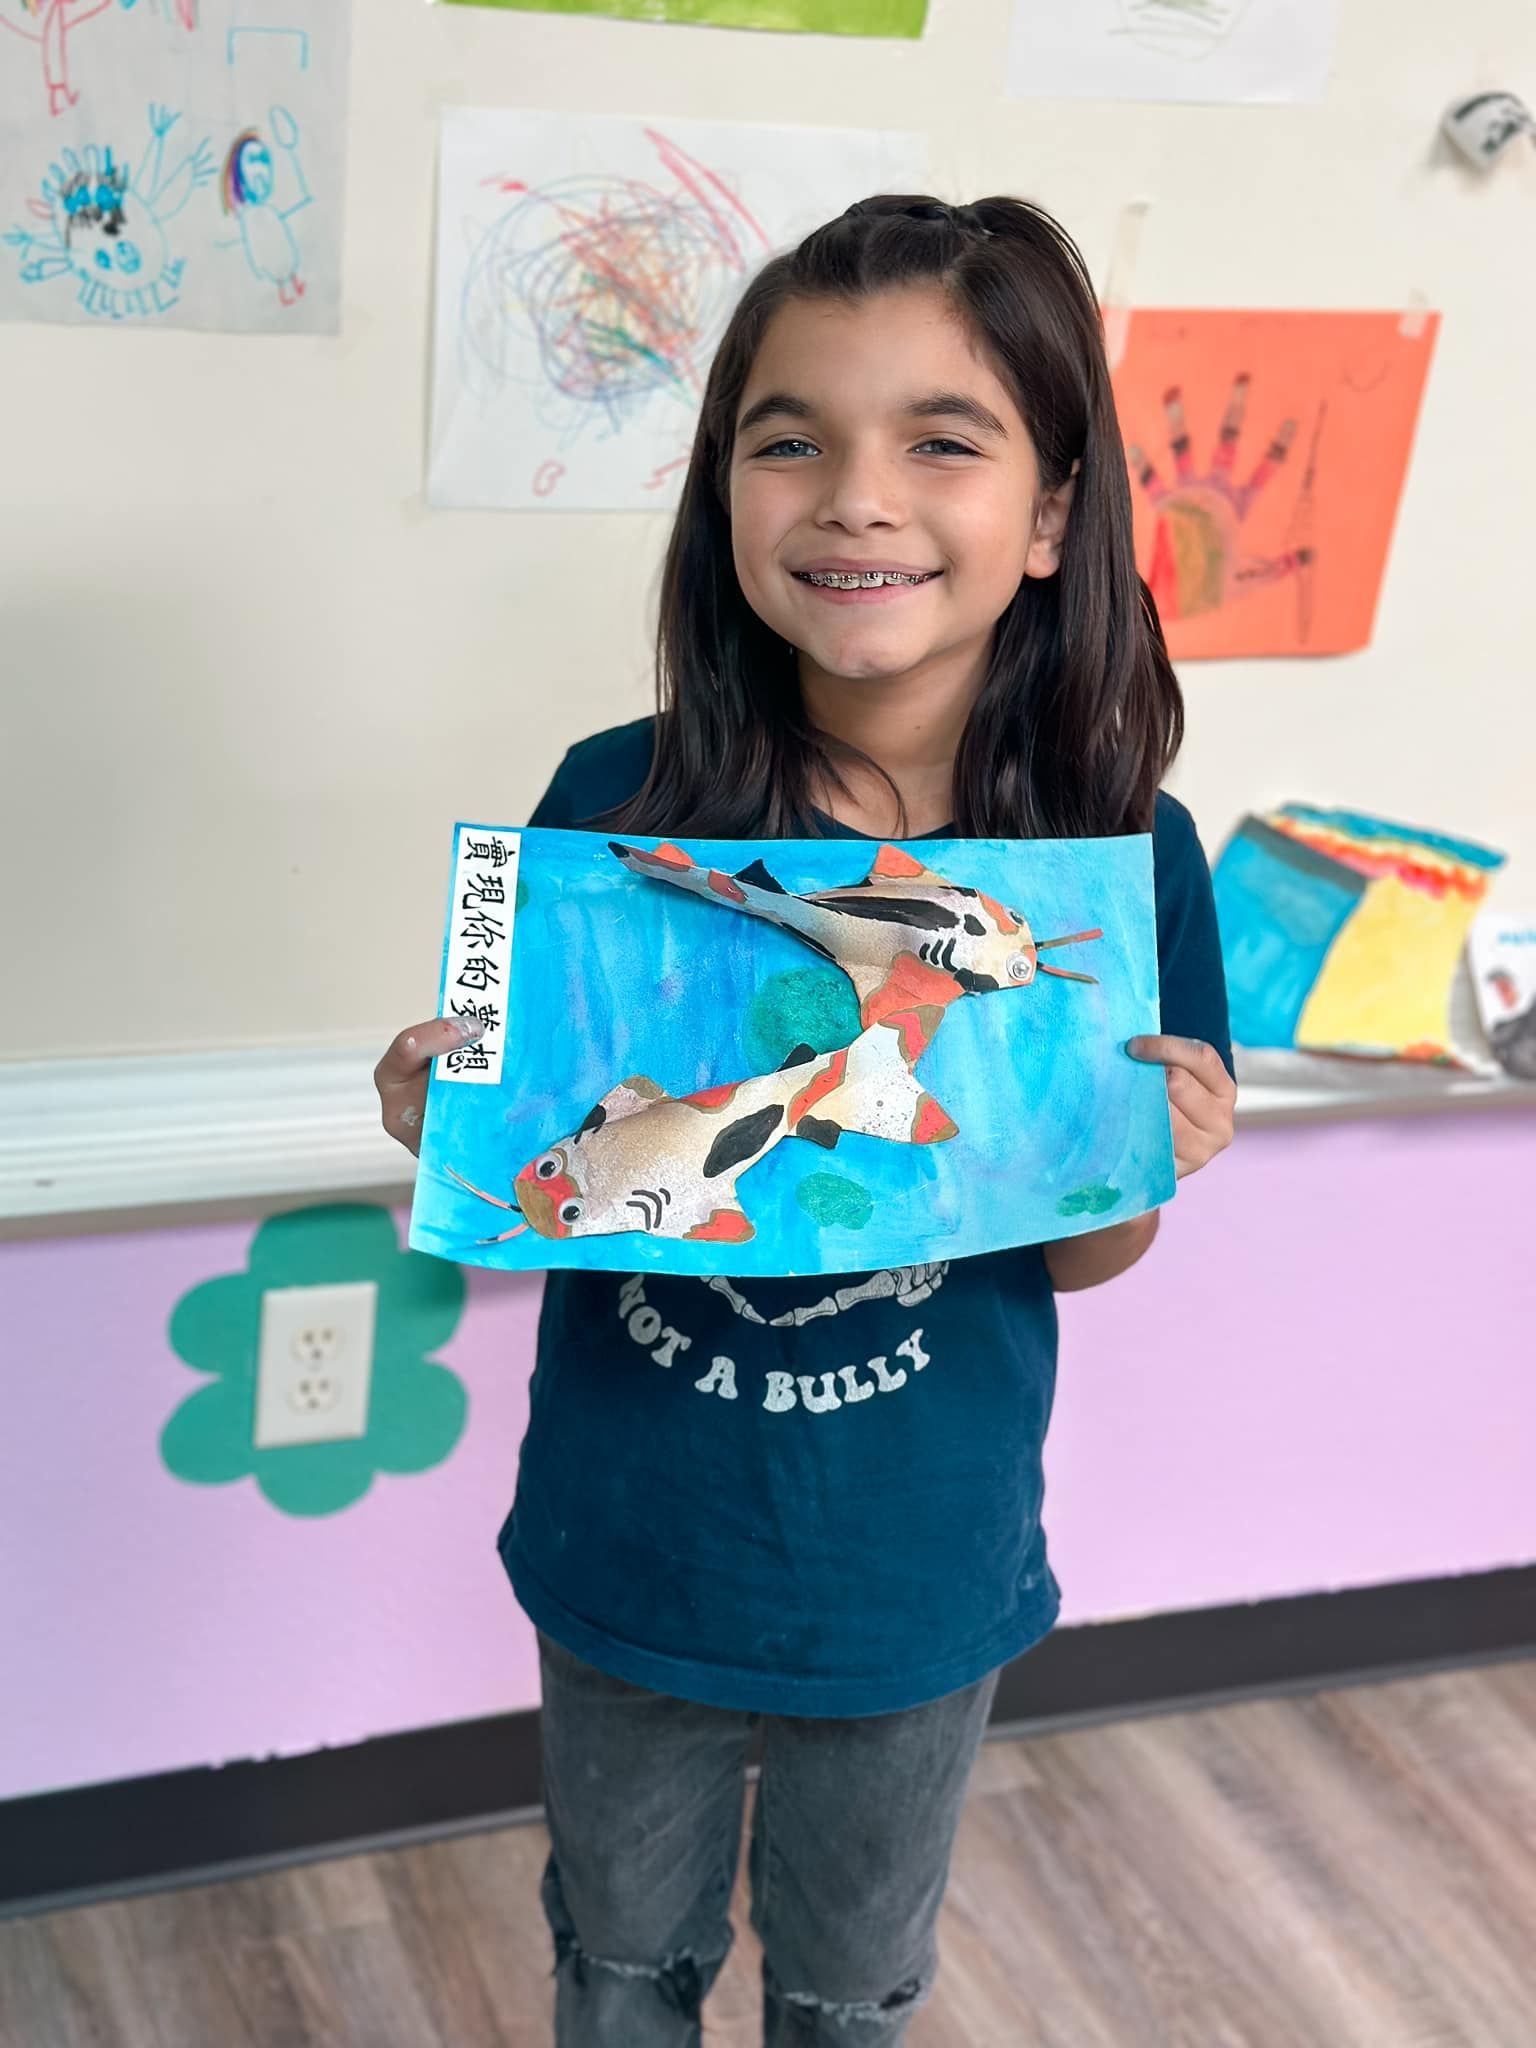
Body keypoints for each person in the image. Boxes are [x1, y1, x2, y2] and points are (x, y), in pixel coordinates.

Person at [374, 193, 1236, 2047]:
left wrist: (1148, 1151)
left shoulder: (1122, 850)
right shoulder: (617, 801)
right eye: (793, 440)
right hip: (629, 1545)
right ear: (725, 490)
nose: (857, 495)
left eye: (943, 439)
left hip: (918, 1568)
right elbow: (536, 1153)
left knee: (854, 1984)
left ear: (1054, 513)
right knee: (618, 1956)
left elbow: (1088, 1252)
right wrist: (439, 1109)